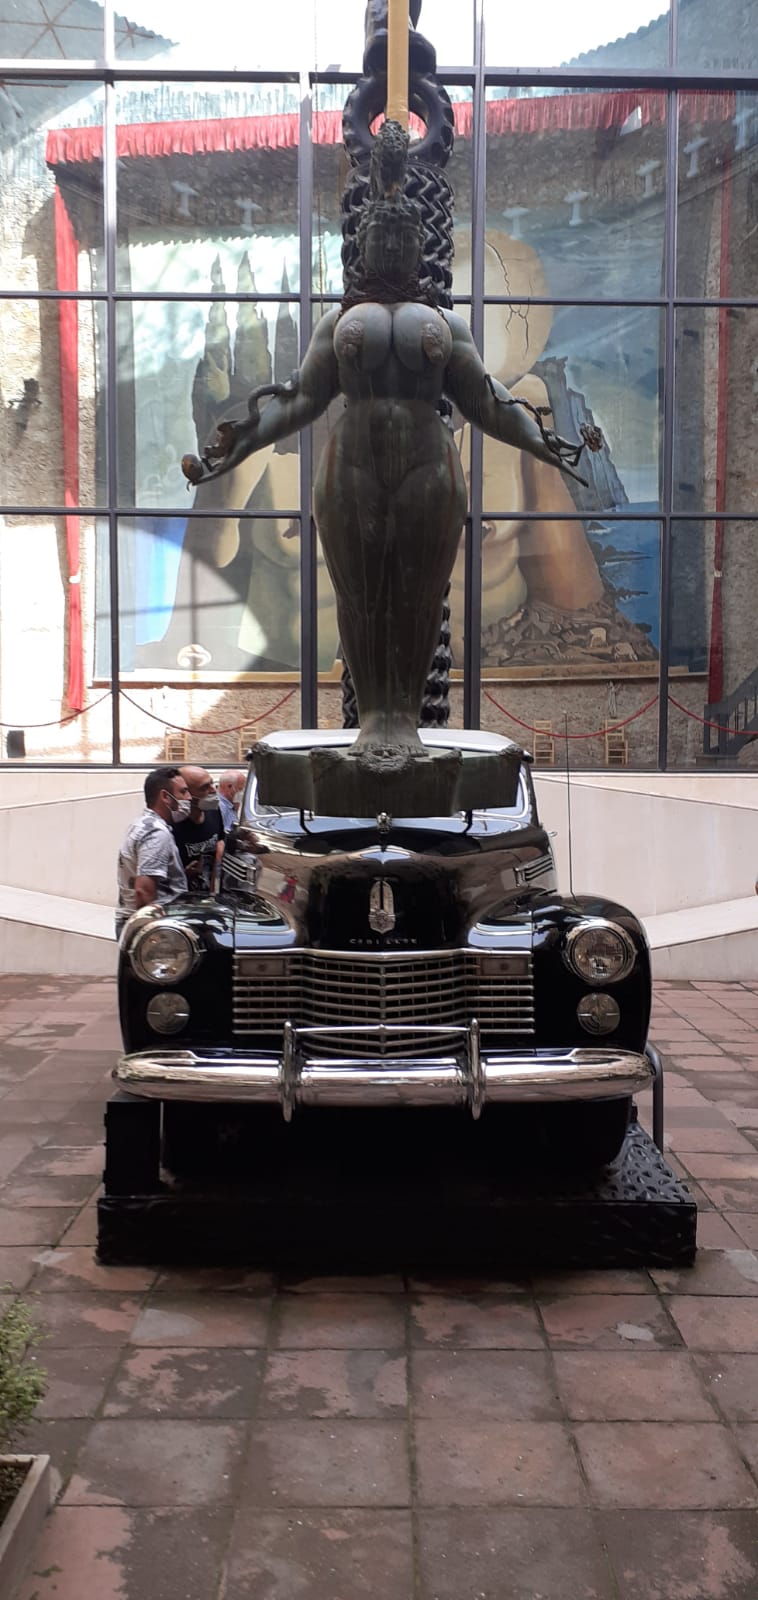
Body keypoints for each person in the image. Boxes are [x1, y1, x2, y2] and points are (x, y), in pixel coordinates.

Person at [183, 119, 596, 760]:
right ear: (366, 245)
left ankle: (403, 717)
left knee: (420, 595)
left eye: (402, 239)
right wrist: (233, 445)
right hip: (352, 465)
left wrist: (548, 444)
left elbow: (488, 403)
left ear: (416, 247)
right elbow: (299, 400)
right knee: (359, 593)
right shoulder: (340, 323)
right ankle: (374, 716)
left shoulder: (445, 325)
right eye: (382, 238)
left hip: (430, 466)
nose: (392, 247)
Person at [115, 765, 190, 936]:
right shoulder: (156, 833)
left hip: (133, 924)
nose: (189, 798)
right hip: (147, 929)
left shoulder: (141, 824)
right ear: (165, 796)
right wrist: (155, 935)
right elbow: (144, 892)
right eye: (183, 792)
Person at [172, 765, 225, 893]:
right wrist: (184, 875)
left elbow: (220, 840)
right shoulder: (171, 826)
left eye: (212, 783)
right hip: (183, 897)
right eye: (204, 788)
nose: (213, 790)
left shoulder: (214, 812)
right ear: (186, 794)